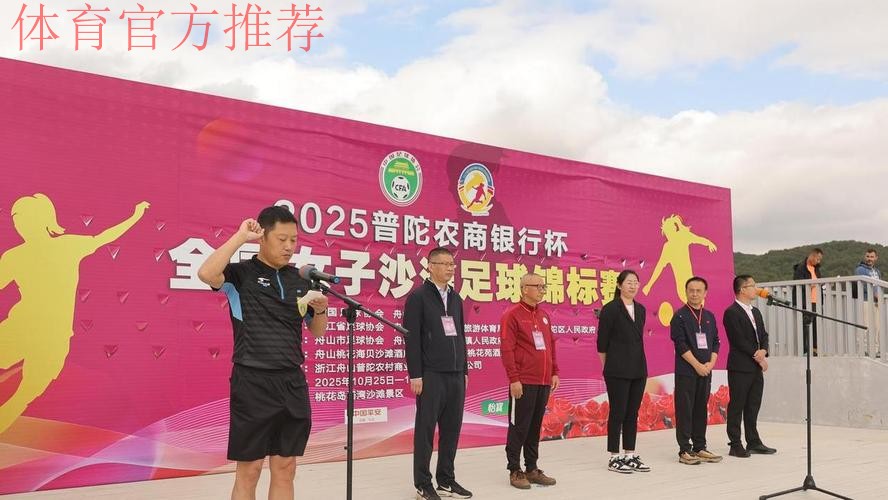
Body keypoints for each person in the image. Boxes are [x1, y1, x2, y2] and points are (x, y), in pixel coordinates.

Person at [197, 205, 329, 500]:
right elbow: (206, 273)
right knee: (250, 470)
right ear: (263, 237)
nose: (289, 246)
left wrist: (321, 310)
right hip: (252, 382)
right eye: (282, 239)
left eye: (293, 240)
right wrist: (240, 236)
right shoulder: (240, 275)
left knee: (285, 467)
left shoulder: (300, 279)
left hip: (291, 382)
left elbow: (317, 331)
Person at [0, 194, 149, 435]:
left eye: (25, 219)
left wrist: (135, 215)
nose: (20, 225)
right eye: (16, 219)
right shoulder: (14, 257)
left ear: (43, 220)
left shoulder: (67, 246)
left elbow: (104, 237)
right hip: (19, 328)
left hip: (54, 336)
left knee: (26, 393)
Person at [403, 247, 472, 500]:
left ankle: (446, 480)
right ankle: (423, 483)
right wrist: (416, 374)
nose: (450, 268)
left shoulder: (456, 298)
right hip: (431, 374)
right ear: (430, 266)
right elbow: (411, 339)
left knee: (451, 430)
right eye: (444, 264)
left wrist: (464, 368)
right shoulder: (418, 297)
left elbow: (461, 334)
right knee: (425, 430)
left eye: (452, 264)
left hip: (455, 374)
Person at [500, 273, 560, 489]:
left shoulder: (544, 315)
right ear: (525, 289)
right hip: (523, 381)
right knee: (519, 426)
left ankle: (532, 468)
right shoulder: (512, 315)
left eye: (544, 286)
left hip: (543, 381)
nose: (543, 290)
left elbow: (551, 345)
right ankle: (514, 469)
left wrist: (554, 372)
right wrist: (514, 379)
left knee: (535, 427)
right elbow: (507, 349)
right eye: (538, 286)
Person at [597, 270, 651, 474]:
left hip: (638, 369)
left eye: (636, 282)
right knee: (617, 412)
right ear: (619, 285)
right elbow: (602, 344)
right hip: (617, 370)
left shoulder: (641, 309)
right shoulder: (610, 309)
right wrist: (608, 368)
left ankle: (630, 454)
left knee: (632, 413)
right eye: (629, 282)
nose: (633, 286)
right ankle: (614, 456)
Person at [670, 276, 722, 465]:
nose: (694, 294)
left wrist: (710, 364)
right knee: (685, 410)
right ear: (685, 292)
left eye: (698, 291)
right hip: (687, 371)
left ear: (705, 293)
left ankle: (700, 447)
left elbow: (716, 342)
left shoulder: (709, 316)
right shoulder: (679, 316)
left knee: (701, 409)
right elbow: (680, 345)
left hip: (706, 371)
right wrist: (697, 365)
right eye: (691, 290)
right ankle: (685, 449)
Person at [723, 275, 776, 458]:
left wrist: (764, 350)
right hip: (740, 366)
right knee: (737, 405)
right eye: (752, 286)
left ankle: (753, 441)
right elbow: (738, 340)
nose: (756, 289)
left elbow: (764, 335)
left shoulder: (756, 312)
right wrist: (759, 357)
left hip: (755, 367)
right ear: (742, 290)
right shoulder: (731, 312)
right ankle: (735, 444)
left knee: (753, 405)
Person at [792, 248, 823, 354]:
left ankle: (815, 348)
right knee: (805, 326)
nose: (819, 261)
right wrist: (811, 285)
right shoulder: (801, 268)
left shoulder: (816, 269)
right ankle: (804, 350)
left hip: (816, 301)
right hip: (805, 301)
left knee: (816, 326)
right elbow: (798, 285)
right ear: (812, 256)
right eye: (818, 259)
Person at [854, 249, 882, 355]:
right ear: (865, 257)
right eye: (868, 256)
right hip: (865, 300)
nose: (869, 259)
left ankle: (875, 350)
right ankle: (862, 350)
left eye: (872, 256)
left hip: (876, 302)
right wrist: (874, 294)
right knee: (864, 326)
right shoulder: (860, 269)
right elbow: (864, 284)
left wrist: (879, 296)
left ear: (876, 258)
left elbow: (879, 285)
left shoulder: (877, 271)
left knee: (876, 327)